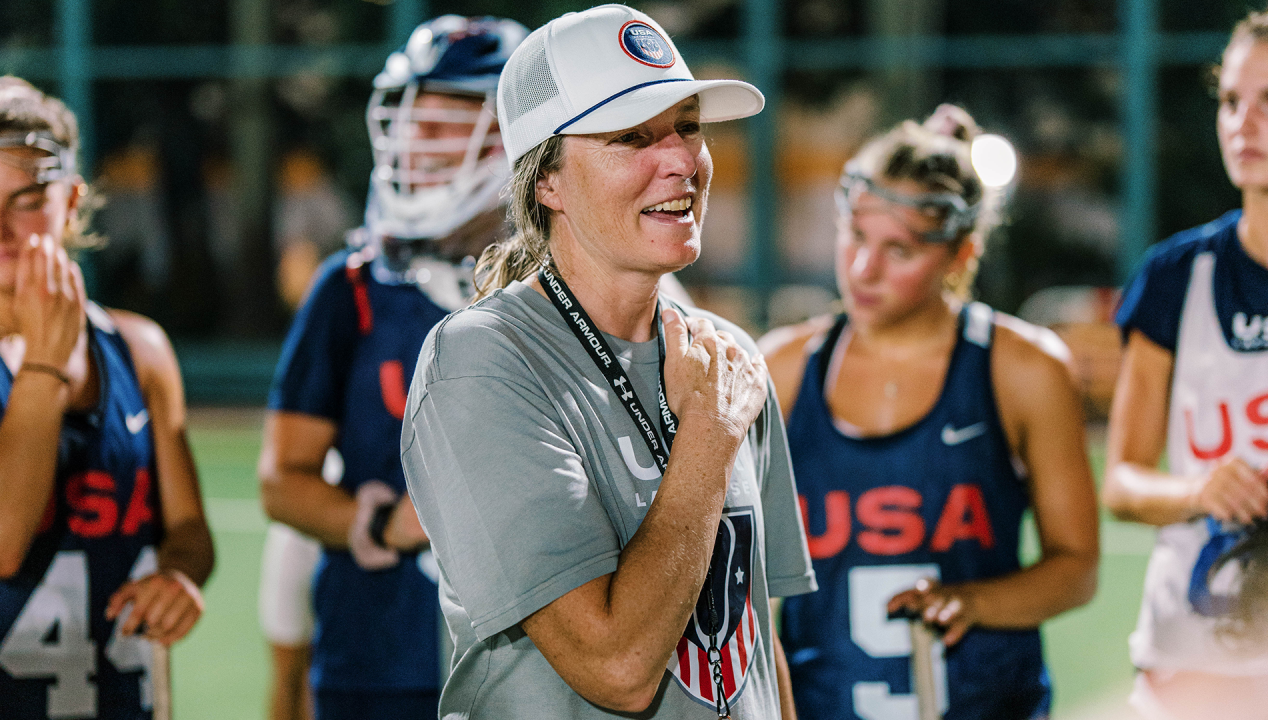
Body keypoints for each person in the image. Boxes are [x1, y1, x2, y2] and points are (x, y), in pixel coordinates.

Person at [400, 5, 816, 718]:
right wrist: (707, 439)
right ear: (546, 182)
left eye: (688, 126)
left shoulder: (728, 356)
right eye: (632, 137)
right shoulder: (482, 363)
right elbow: (614, 665)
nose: (682, 160)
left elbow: (752, 647)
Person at [761, 105, 1099, 720]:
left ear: (959, 254)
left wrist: (973, 602)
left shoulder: (1023, 369)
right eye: (856, 236)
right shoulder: (780, 368)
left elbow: (1076, 568)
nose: (864, 270)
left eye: (900, 249)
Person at [257, 15, 529, 720]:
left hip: (537, 655)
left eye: (444, 125)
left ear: (519, 140)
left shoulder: (573, 289)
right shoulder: (352, 288)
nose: (416, 145)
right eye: (411, 122)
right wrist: (383, 526)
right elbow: (283, 483)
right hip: (380, 653)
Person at [0, 76, 214, 719]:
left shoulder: (137, 348)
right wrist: (44, 362)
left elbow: (189, 530)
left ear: (72, 201)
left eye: (25, 198)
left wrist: (179, 576)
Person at [1102, 10, 1268, 719]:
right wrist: (1202, 489)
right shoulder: (1176, 275)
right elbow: (1121, 481)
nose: (1243, 123)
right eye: (1231, 101)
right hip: (1187, 668)